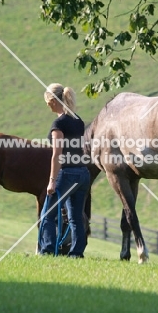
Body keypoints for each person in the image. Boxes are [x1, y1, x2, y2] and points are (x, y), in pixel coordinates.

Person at [38, 83, 90, 258]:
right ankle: (76, 254)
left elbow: (57, 155)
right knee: (75, 218)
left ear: (53, 100)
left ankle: (47, 251)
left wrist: (52, 181)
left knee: (47, 215)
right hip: (82, 174)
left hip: (66, 174)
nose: (47, 105)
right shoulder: (78, 120)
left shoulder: (58, 123)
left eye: (47, 101)